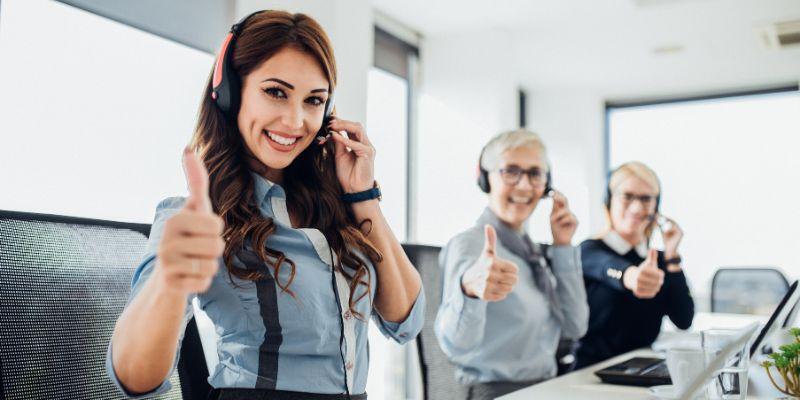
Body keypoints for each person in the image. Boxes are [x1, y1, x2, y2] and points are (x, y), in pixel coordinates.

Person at [106, 10, 424, 399]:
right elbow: (134, 380)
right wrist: (169, 282)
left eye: (314, 101)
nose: (295, 120)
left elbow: (406, 321)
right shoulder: (196, 215)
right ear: (231, 92)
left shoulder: (335, 208)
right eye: (276, 92)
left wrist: (363, 198)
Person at [435, 129, 589, 400]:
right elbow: (455, 345)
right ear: (485, 179)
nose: (524, 185)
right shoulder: (470, 245)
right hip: (498, 393)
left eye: (534, 173)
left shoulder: (532, 253)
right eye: (510, 171)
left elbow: (575, 327)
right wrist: (469, 290)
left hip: (545, 389)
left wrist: (563, 247)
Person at [575, 161, 694, 369]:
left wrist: (672, 256)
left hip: (642, 369)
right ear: (609, 201)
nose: (637, 207)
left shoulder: (659, 260)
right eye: (627, 196)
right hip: (591, 372)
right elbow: (607, 267)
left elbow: (684, 320)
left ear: (656, 207)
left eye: (646, 199)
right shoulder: (589, 250)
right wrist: (630, 276)